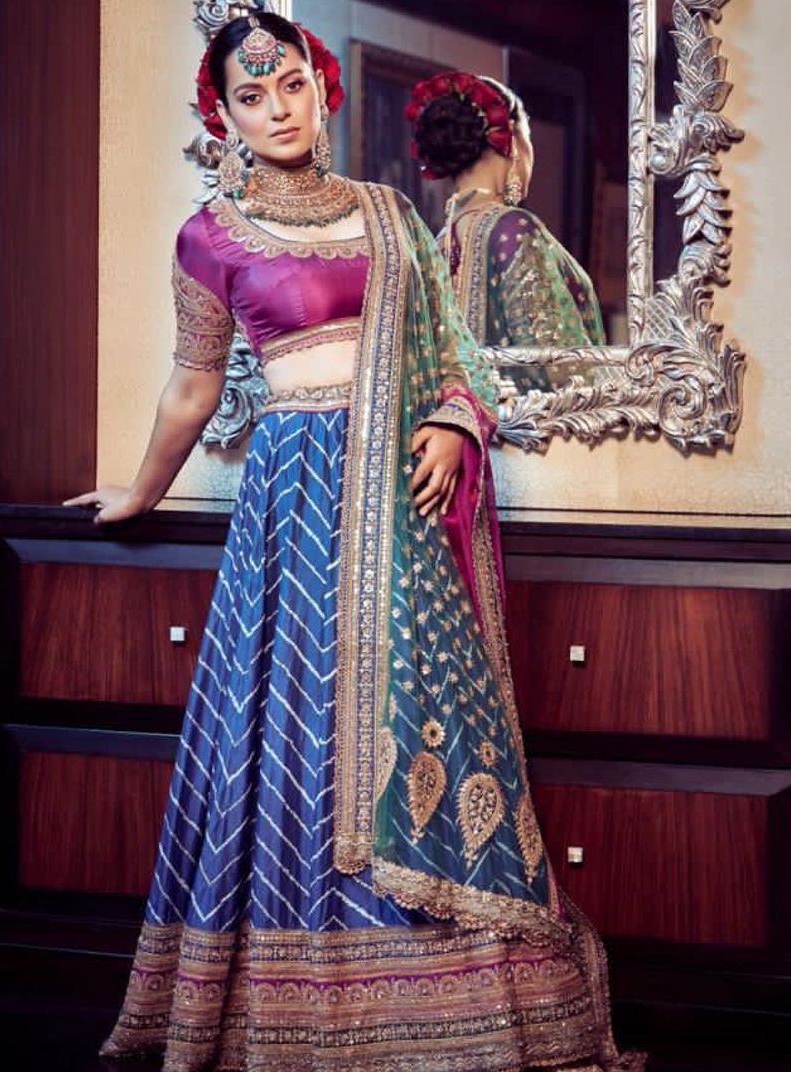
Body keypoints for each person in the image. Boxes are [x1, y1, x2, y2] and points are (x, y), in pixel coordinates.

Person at [66, 14, 643, 1072]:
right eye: (252, 96)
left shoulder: (391, 217)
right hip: (290, 509)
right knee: (291, 721)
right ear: (224, 117)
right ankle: (292, 991)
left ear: (321, 88)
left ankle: (447, 995)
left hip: (402, 514)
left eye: (290, 84)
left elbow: (457, 352)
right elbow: (194, 384)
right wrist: (139, 493)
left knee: (417, 717)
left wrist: (453, 420)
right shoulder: (211, 236)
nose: (277, 108)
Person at [407, 72, 606, 395]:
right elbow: (559, 366)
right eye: (529, 137)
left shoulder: (441, 240)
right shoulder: (513, 229)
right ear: (512, 139)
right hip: (531, 424)